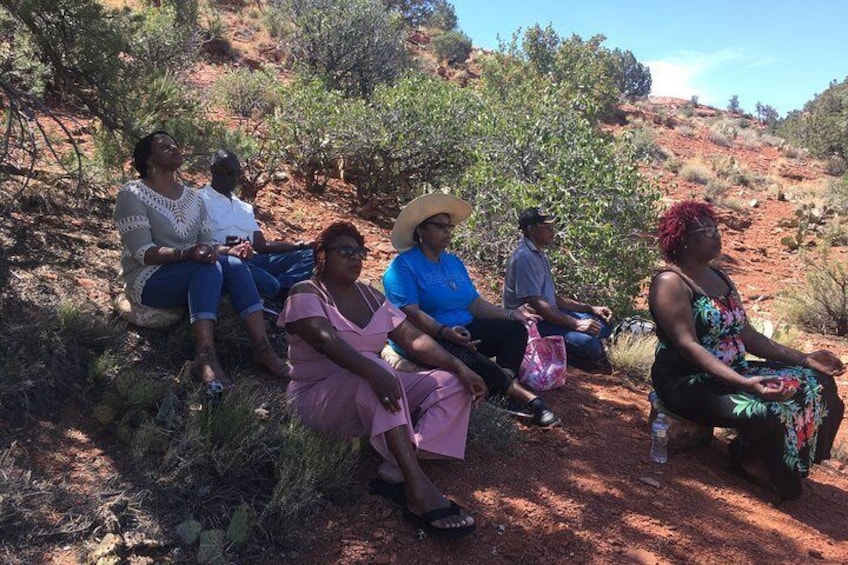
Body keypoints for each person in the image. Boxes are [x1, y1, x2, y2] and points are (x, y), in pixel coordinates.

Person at [280, 221, 487, 539]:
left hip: (373, 386)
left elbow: (413, 338)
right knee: (377, 373)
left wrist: (459, 366)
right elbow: (325, 341)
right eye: (344, 251)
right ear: (322, 255)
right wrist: (373, 369)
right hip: (317, 399)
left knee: (450, 384)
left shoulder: (370, 297)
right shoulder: (304, 293)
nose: (354, 258)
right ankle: (416, 486)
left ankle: (399, 461)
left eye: (359, 251)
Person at [649, 201, 845, 501]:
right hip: (688, 380)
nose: (717, 235)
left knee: (818, 384)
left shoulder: (720, 277)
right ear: (684, 237)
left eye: (717, 228)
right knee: (765, 409)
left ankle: (755, 455)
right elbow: (688, 346)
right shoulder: (670, 283)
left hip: (735, 370)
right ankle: (757, 463)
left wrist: (805, 359)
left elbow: (749, 336)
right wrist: (744, 384)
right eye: (708, 230)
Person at [113, 131, 288, 392]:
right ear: (148, 158)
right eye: (164, 146)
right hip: (149, 276)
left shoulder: (193, 198)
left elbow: (207, 244)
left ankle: (263, 349)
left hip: (191, 268)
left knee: (235, 265)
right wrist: (187, 254)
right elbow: (142, 251)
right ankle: (205, 358)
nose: (173, 148)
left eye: (174, 143)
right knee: (206, 268)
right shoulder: (133, 194)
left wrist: (232, 250)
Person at [382, 194, 560, 427]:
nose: (447, 232)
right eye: (439, 226)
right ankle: (531, 401)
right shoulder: (402, 267)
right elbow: (411, 314)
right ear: (421, 231)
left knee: (514, 330)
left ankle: (501, 388)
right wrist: (445, 331)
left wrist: (510, 314)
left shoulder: (453, 262)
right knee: (467, 355)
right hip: (429, 336)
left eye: (449, 227)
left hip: (463, 327)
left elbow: (474, 303)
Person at [197, 149, 315, 301]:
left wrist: (300, 245)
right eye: (229, 172)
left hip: (255, 260)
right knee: (260, 278)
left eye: (237, 173)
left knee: (311, 255)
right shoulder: (198, 199)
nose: (234, 178)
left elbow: (262, 245)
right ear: (213, 170)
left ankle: (282, 291)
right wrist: (228, 249)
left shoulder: (244, 207)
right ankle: (276, 291)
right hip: (226, 261)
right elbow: (196, 242)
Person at [504, 207, 613, 368]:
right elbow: (536, 304)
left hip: (550, 314)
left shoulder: (539, 254)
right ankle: (576, 359)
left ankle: (586, 352)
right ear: (530, 229)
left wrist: (590, 308)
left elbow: (552, 297)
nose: (552, 231)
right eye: (546, 227)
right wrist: (575, 323)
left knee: (604, 324)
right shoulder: (524, 258)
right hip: (533, 322)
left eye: (552, 227)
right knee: (589, 345)